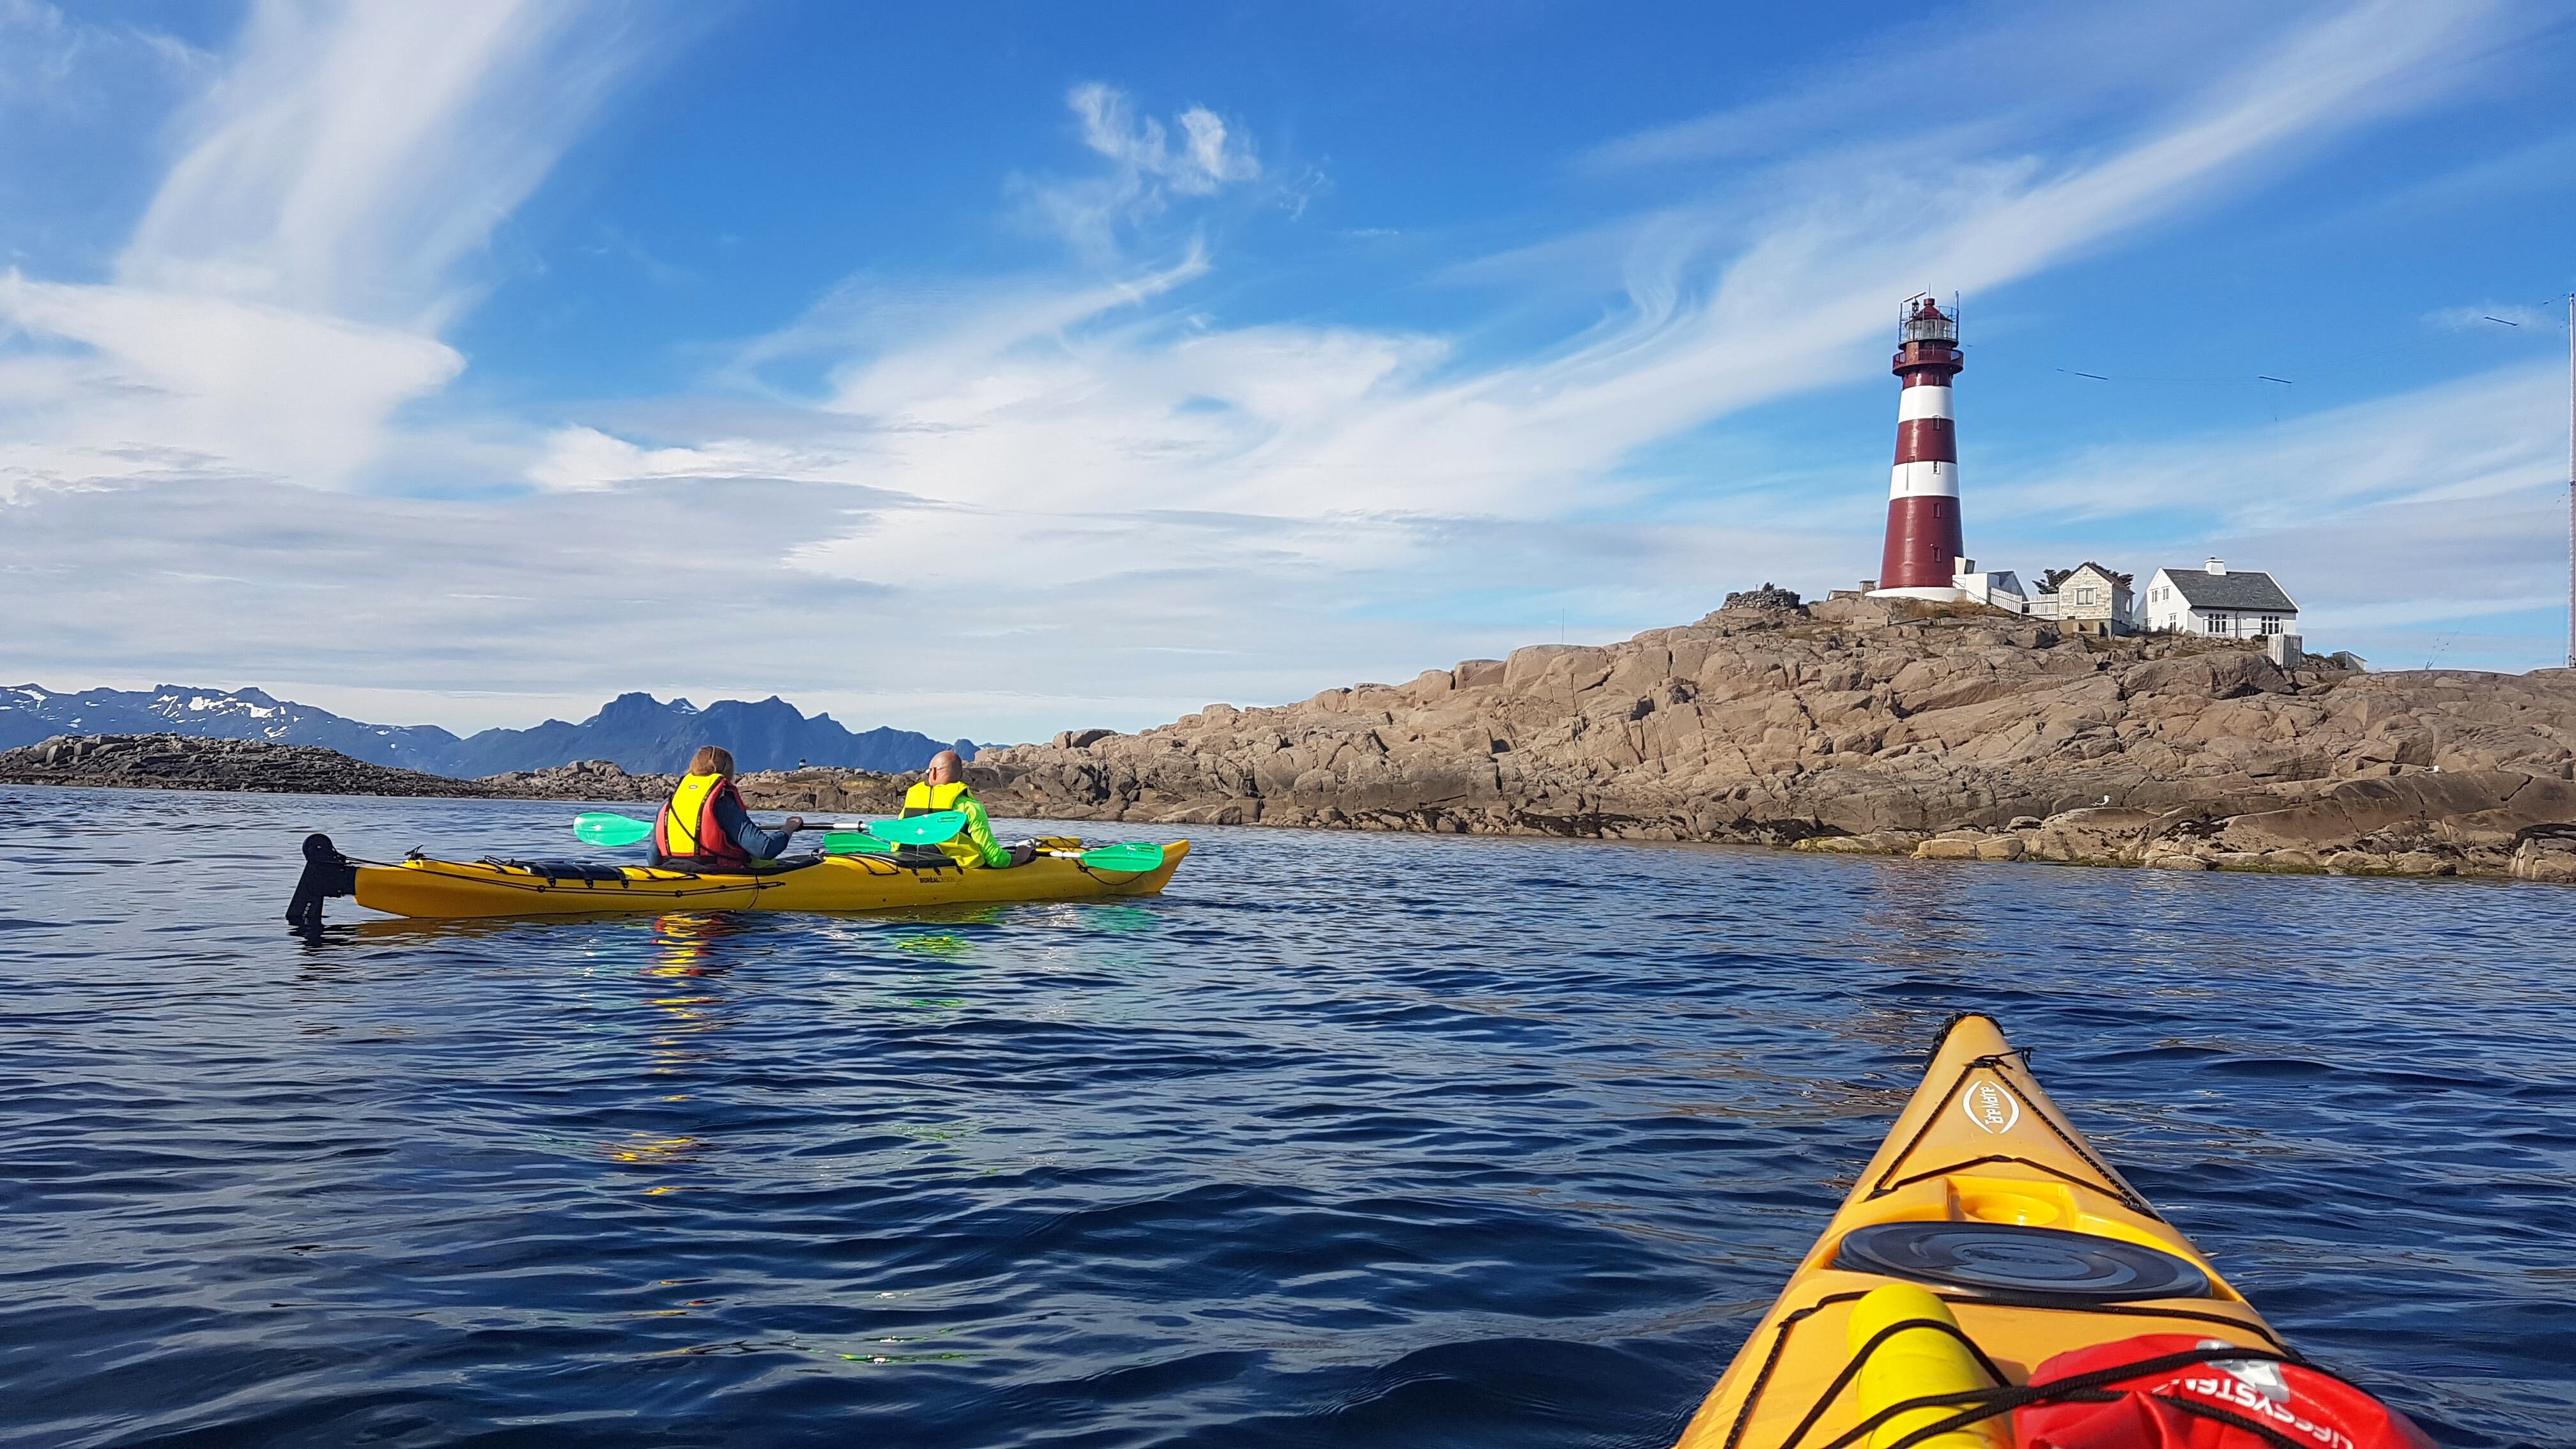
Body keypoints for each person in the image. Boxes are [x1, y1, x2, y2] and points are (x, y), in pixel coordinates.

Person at [652, 746, 804, 869]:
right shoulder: (723, 804)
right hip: (717, 877)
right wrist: (789, 828)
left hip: (671, 872)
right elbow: (765, 849)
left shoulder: (668, 805)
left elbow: (653, 858)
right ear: (727, 770)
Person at [900, 750, 1034, 868]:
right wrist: (1019, 857)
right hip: (952, 867)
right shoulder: (970, 808)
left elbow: (898, 840)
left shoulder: (910, 803)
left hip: (905, 860)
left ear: (934, 772)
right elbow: (995, 859)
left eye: (928, 772)